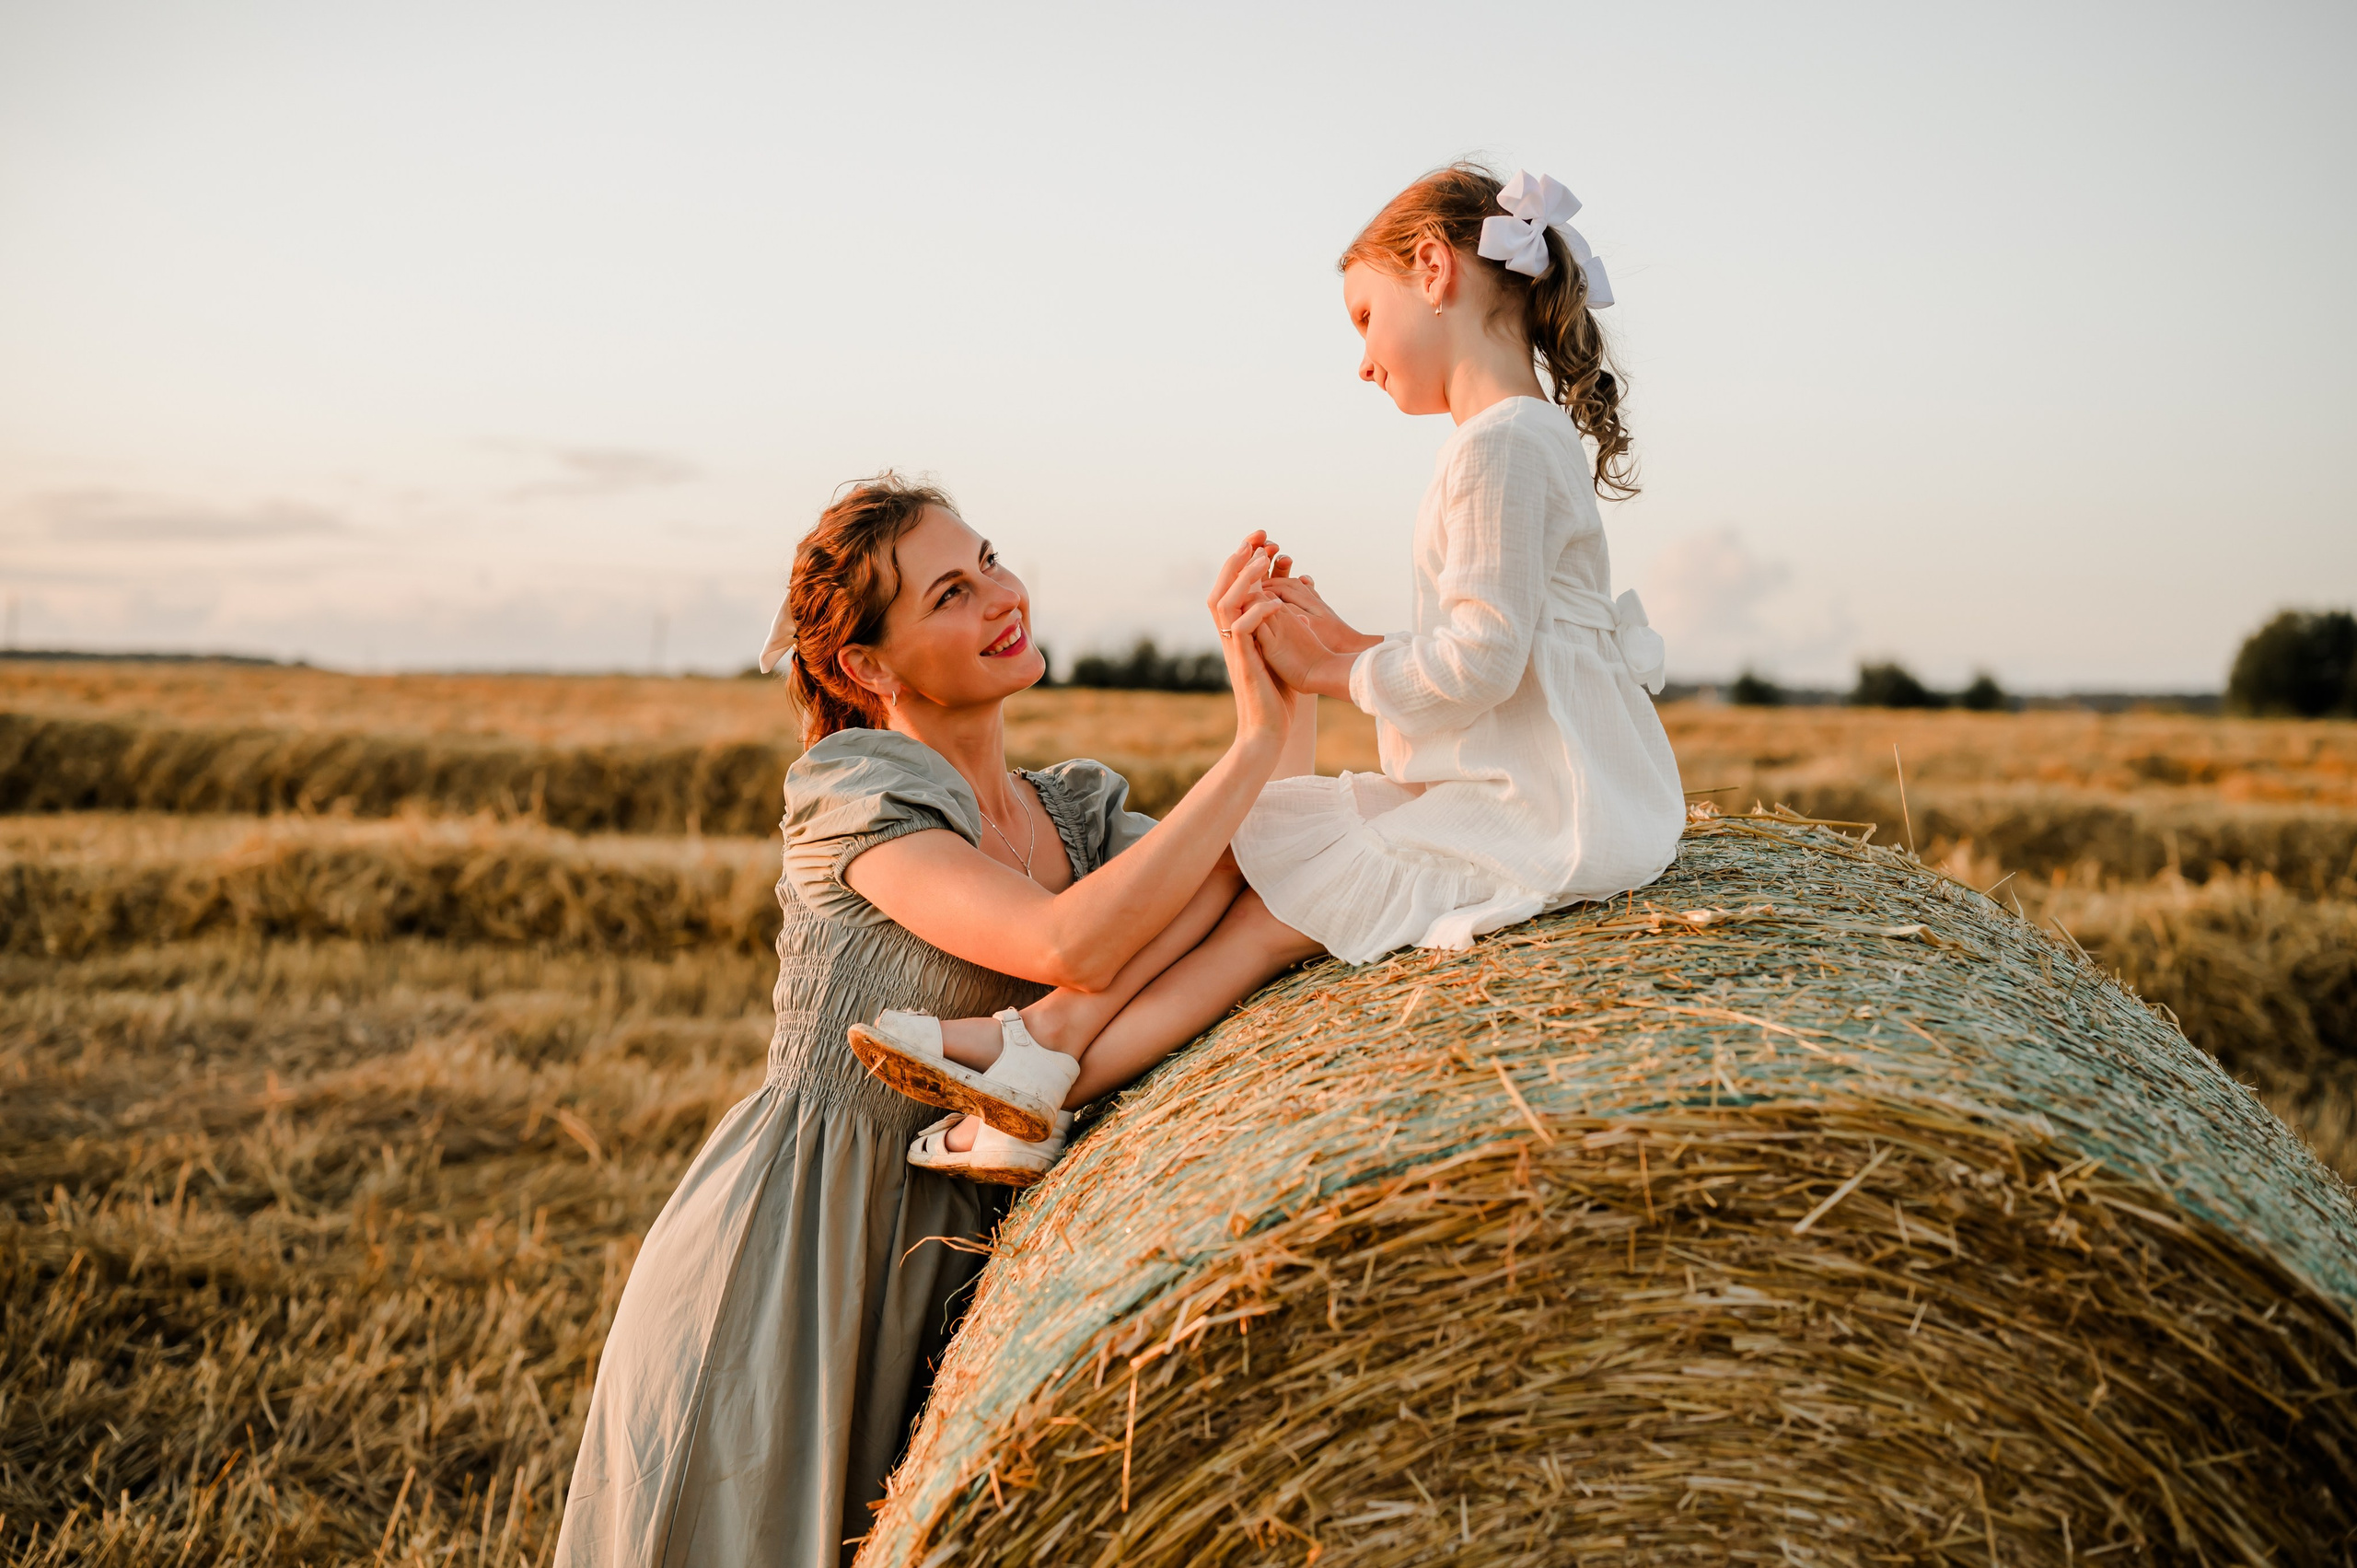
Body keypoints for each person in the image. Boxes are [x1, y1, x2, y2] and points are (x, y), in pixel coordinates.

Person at [855, 164, 1683, 1175]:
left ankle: (1051, 1068)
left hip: (1546, 812)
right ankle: (1043, 1050)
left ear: (1435, 270)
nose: (1364, 361)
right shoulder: (1513, 438)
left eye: (1364, 316)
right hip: (1541, 788)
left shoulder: (1495, 448)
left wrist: (1331, 667)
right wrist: (1332, 637)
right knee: (1268, 844)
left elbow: (1479, 659)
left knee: (1259, 918)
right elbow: (1500, 647)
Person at [552, 476, 1312, 1567]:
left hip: (982, 1244)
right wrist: (1248, 743)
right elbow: (1068, 946)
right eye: (952, 592)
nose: (1002, 595)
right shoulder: (853, 793)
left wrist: (1288, 684)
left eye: (991, 560)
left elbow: (1263, 867)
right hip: (809, 1241)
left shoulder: (1072, 811)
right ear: (868, 666)